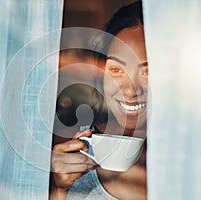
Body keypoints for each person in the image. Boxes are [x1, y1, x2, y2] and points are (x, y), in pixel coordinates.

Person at [49, 1, 148, 199]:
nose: (129, 90)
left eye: (148, 72)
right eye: (116, 70)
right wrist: (58, 189)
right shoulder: (71, 149)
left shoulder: (191, 164)